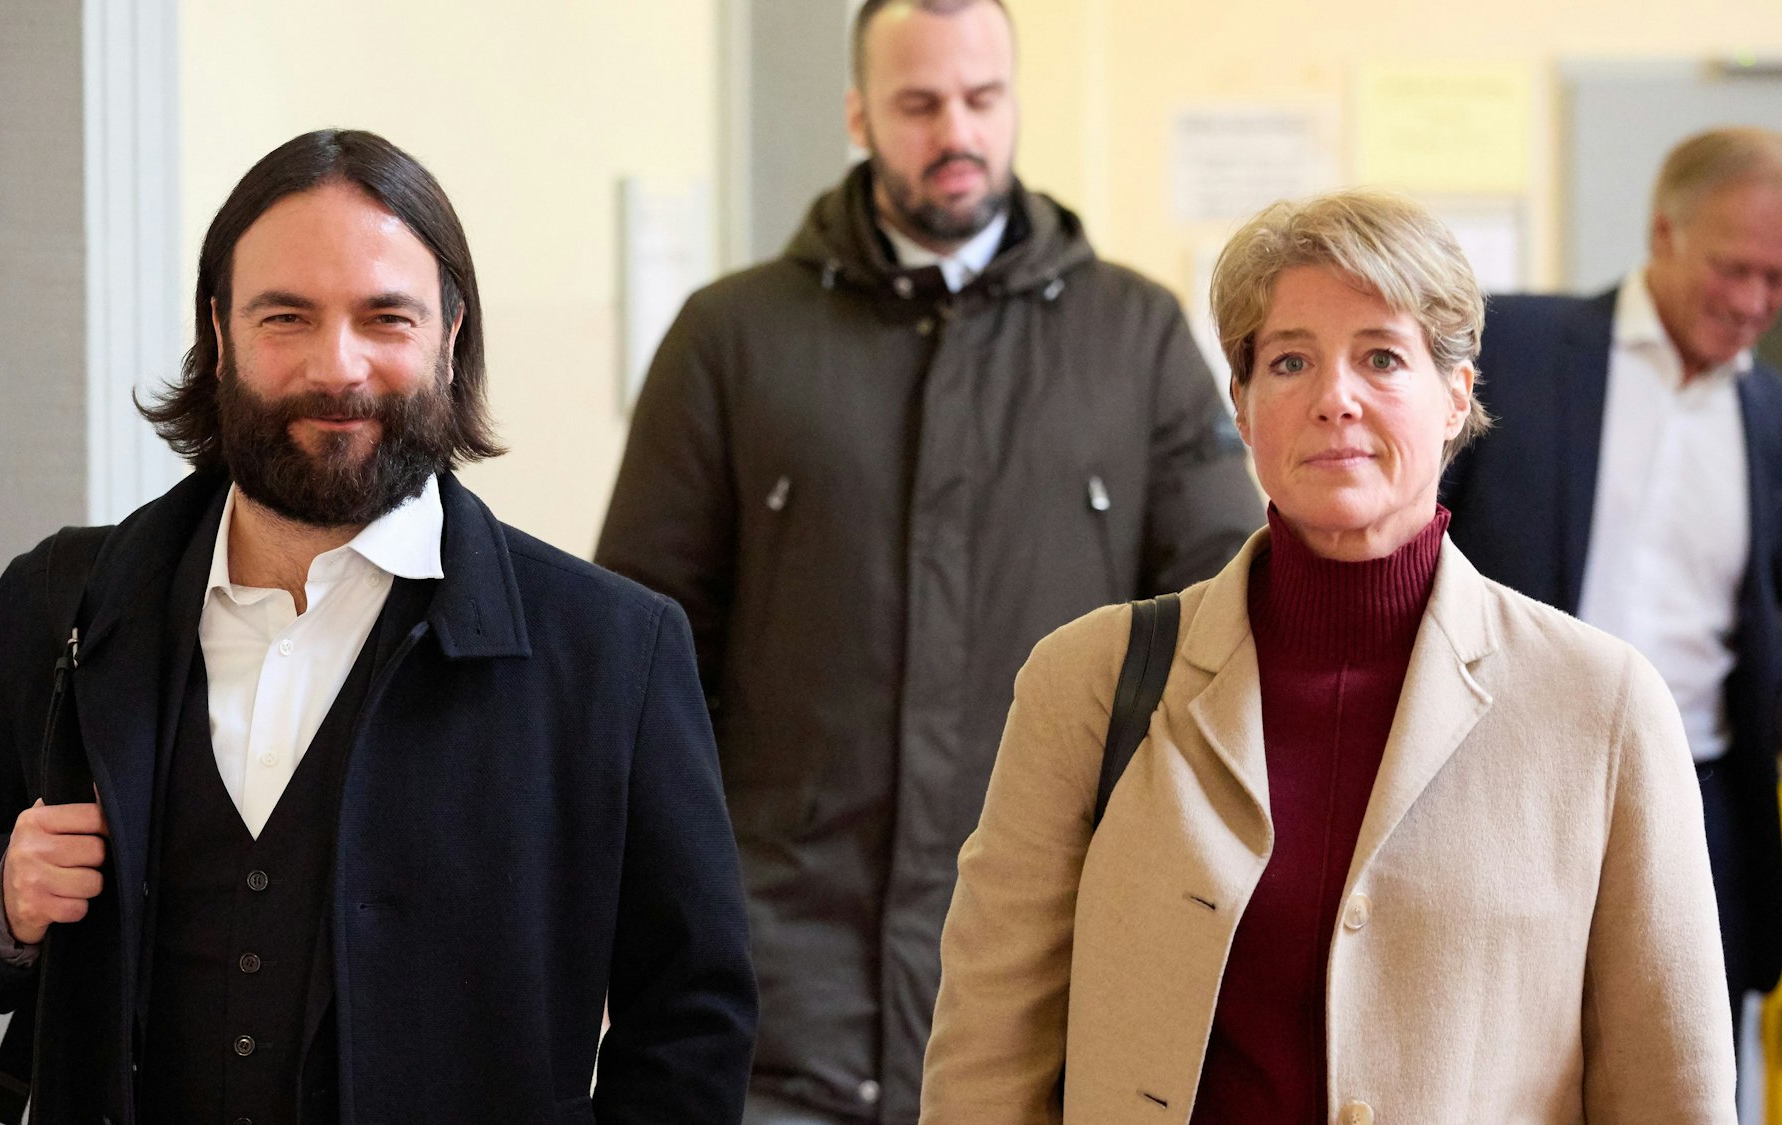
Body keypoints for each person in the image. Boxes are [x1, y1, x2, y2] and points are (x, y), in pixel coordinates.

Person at [0, 129, 757, 1125]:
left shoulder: (613, 654)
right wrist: (5, 899)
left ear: (449, 333)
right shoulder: (66, 600)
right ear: (218, 334)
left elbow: (691, 1020)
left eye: (384, 317)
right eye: (285, 316)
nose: (335, 365)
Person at [920, 191, 1737, 1123]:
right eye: (1290, 360)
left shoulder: (1604, 706)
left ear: (1457, 395)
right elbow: (985, 1062)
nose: (1334, 397)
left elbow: (1674, 1092)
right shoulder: (1089, 683)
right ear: (1243, 404)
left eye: (1382, 358)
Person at [595, 1, 1260, 1120]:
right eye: (917, 104)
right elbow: (638, 677)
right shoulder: (729, 339)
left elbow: (1221, 646)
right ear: (858, 113)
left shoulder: (1134, 339)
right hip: (781, 1002)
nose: (955, 131)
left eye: (980, 99)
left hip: (1045, 985)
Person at [1440, 125, 1782, 1049]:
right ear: (1664, 232)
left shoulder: (1769, 416)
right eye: (1733, 268)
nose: (1754, 302)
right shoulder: (1515, 346)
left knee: (1676, 1067)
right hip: (1499, 784)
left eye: (1778, 278)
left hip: (1698, 805)